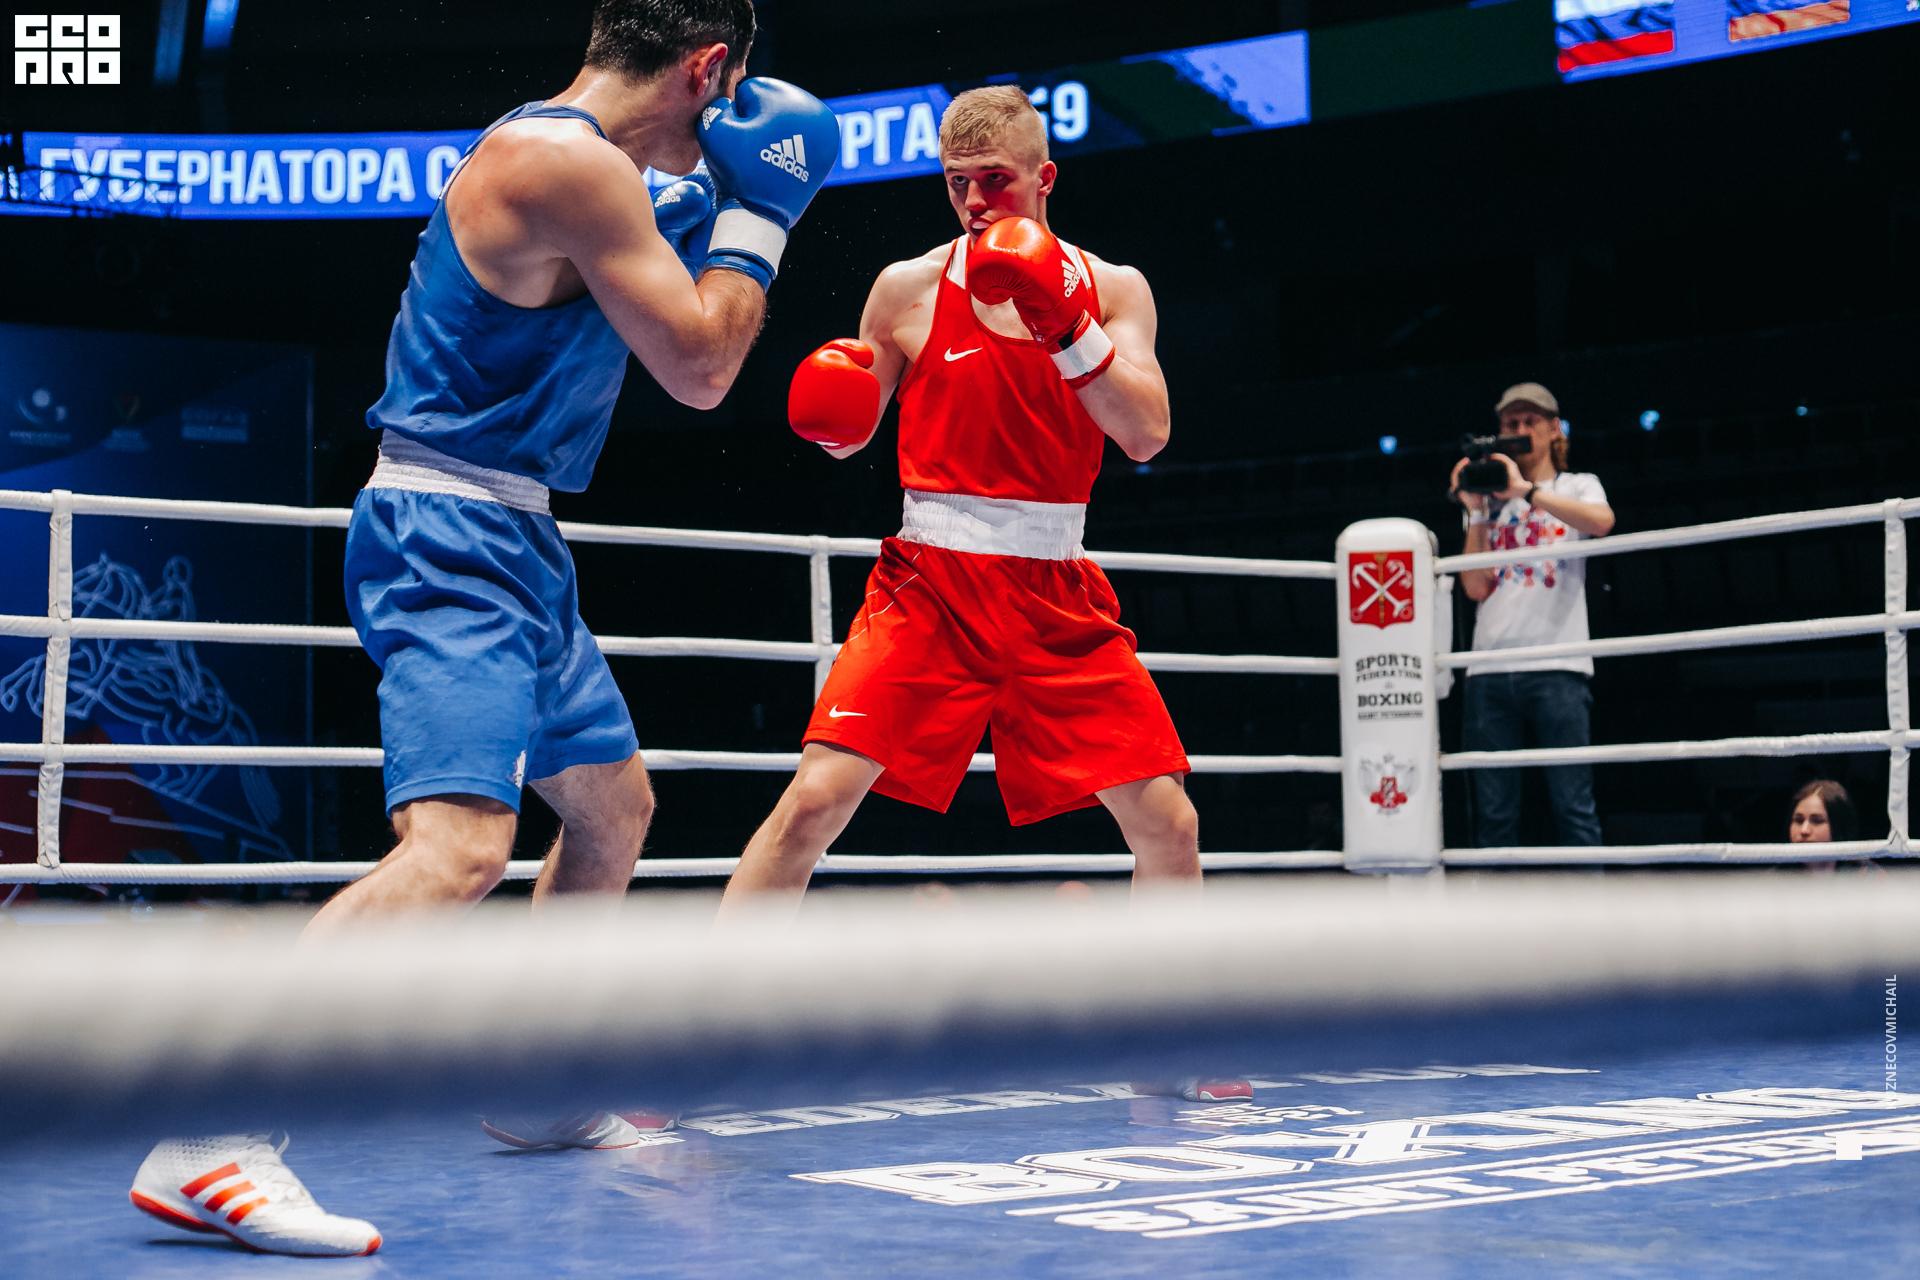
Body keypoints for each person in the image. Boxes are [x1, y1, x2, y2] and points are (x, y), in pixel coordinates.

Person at [129, 0, 838, 1253]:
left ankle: (537, 1082)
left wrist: (711, 206)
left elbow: (657, 288)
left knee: (612, 808)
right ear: (711, 69)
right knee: (457, 850)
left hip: (513, 533)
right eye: (730, 94)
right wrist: (763, 215)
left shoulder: (594, 170)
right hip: (448, 531)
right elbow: (702, 366)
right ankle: (209, 1129)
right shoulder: (562, 161)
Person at [720, 87, 1237, 1104]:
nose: (971, 200)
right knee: (813, 801)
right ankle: (694, 1035)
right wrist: (832, 417)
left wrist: (1063, 321)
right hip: (930, 583)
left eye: (992, 180)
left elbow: (1146, 431)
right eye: (955, 183)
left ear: (1044, 178)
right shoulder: (908, 288)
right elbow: (853, 432)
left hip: (1057, 589)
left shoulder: (1111, 287)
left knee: (1168, 823)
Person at [1450, 383, 1616, 849]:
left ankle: (1588, 898)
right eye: (1511, 423)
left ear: (1554, 429)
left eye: (1530, 421)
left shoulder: (1576, 485)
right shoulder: (1489, 501)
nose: (1521, 429)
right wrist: (1476, 510)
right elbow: (1475, 587)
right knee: (1495, 814)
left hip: (1557, 664)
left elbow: (1602, 522)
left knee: (1573, 806)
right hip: (1489, 668)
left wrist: (1527, 492)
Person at [1789, 777, 1863, 875]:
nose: (1804, 830)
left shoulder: (1868, 875)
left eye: (1817, 821)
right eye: (1798, 820)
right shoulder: (1773, 879)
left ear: (1839, 826)